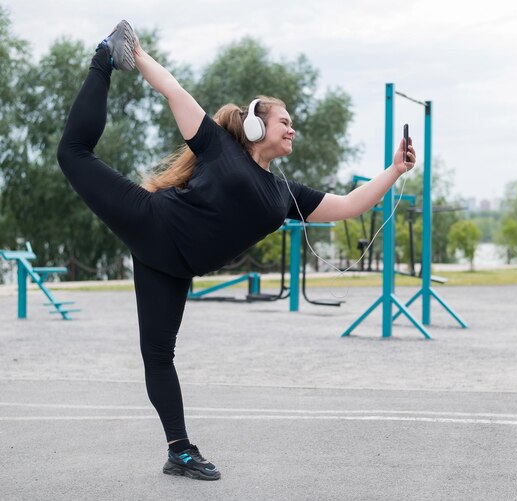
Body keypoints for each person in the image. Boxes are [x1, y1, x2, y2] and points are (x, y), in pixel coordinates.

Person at [56, 20, 416, 482]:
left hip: (170, 267)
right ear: (254, 123)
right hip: (150, 220)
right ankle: (102, 59)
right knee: (73, 153)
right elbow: (174, 90)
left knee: (158, 356)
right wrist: (132, 53)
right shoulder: (217, 145)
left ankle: (178, 453)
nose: (293, 129)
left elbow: (348, 205)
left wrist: (394, 169)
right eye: (285, 121)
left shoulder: (286, 193)